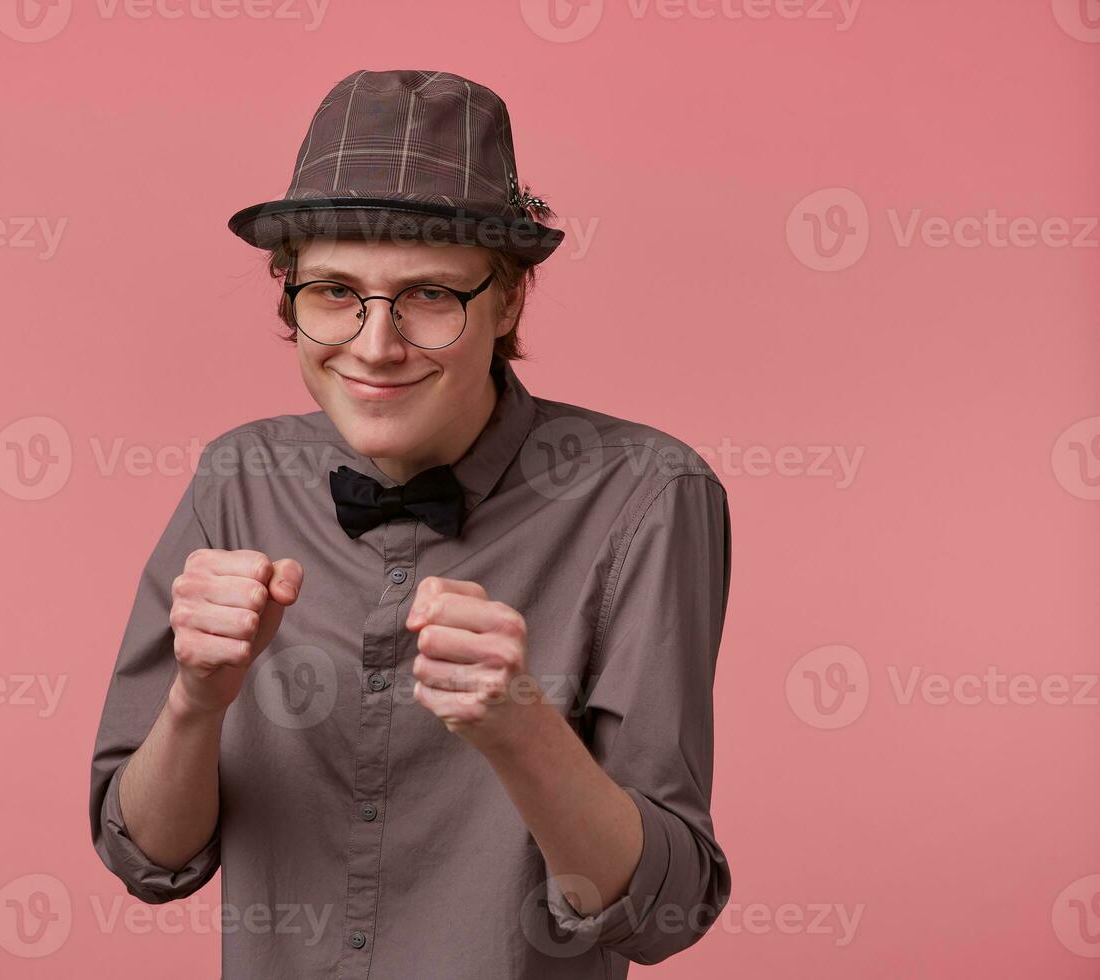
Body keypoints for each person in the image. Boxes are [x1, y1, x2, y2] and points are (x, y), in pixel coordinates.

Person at [89, 68, 732, 980]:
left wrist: (524, 729)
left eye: (431, 294)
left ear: (507, 301)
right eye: (335, 292)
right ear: (288, 295)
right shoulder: (237, 476)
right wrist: (196, 702)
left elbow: (665, 912)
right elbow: (145, 858)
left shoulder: (649, 494)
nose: (376, 344)